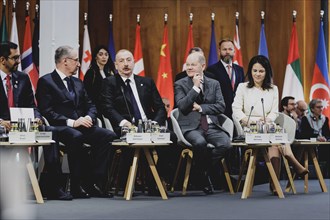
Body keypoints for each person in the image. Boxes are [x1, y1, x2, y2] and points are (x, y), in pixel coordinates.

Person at [36, 45, 117, 199]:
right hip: (60, 127)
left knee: (108, 136)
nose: (79, 64)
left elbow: (91, 105)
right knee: (76, 135)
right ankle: (75, 186)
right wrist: (72, 122)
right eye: (76, 60)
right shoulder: (46, 81)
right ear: (65, 61)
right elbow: (46, 112)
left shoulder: (78, 82)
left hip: (82, 125)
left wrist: (89, 117)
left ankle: (93, 182)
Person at [0, 41, 72, 200]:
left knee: (51, 131)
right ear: (2, 60)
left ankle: (53, 187)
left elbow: (32, 106)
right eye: (15, 58)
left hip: (23, 127)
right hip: (2, 128)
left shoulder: (22, 78)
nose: (19, 61)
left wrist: (38, 118)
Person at [232, 55, 308, 194]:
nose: (257, 74)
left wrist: (267, 120)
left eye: (261, 71)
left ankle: (274, 183)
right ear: (250, 71)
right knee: (276, 137)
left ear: (266, 72)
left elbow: (274, 112)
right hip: (248, 125)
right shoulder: (242, 87)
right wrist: (250, 121)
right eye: (254, 70)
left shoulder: (273, 89)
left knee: (275, 142)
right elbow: (236, 109)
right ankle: (292, 161)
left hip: (267, 125)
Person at [100, 49, 169, 194]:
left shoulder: (146, 82)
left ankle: (154, 179)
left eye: (129, 60)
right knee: (131, 147)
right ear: (116, 65)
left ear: (134, 62)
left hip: (149, 127)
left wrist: (154, 124)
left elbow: (160, 108)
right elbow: (107, 108)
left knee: (172, 139)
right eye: (121, 61)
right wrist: (124, 123)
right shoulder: (110, 83)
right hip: (126, 128)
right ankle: (132, 183)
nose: (126, 64)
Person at [175, 52, 231, 194]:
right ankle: (204, 178)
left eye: (193, 64)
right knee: (200, 143)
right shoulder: (180, 84)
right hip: (191, 127)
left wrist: (201, 108)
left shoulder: (214, 83)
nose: (189, 67)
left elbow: (221, 106)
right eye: (187, 64)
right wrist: (195, 88)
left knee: (225, 144)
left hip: (211, 125)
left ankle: (201, 172)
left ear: (203, 66)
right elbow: (182, 106)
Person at [206, 39, 245, 119]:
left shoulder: (240, 70)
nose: (227, 52)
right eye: (224, 49)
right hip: (221, 113)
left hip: (238, 112)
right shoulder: (211, 70)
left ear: (234, 51)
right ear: (219, 51)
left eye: (230, 49)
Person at [83, 45, 116, 125]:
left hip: (109, 107)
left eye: (106, 54)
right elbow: (87, 94)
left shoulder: (110, 73)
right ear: (95, 57)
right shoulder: (91, 73)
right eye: (100, 54)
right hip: (97, 108)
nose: (104, 57)